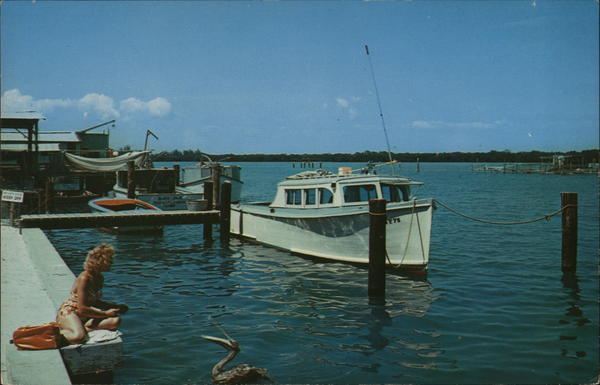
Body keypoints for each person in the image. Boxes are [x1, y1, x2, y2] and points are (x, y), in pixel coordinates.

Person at [56, 243, 128, 344]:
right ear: (100, 262)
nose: (112, 262)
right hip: (71, 312)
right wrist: (105, 313)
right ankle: (55, 333)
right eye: (109, 260)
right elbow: (82, 308)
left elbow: (93, 302)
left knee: (115, 321)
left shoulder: (99, 277)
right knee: (79, 338)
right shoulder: (84, 278)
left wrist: (114, 306)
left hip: (86, 314)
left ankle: (80, 328)